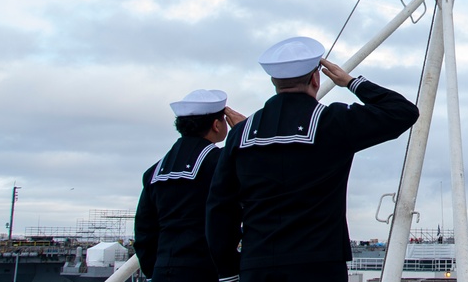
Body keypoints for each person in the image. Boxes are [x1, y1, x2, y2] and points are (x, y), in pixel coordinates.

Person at [206, 36, 420, 282]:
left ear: (274, 81)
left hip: (258, 265)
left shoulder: (241, 134)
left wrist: (229, 272)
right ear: (316, 79)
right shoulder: (332, 123)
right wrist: (351, 81)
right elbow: (402, 112)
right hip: (319, 266)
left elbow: (220, 208)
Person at [134, 89, 246, 282]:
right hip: (208, 270)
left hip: (162, 270)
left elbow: (144, 231)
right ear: (216, 125)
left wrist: (155, 270)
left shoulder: (155, 172)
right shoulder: (221, 163)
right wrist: (242, 132)